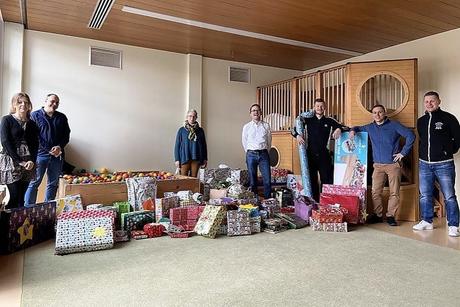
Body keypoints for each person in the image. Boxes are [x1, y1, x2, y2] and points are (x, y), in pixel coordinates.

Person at [349, 104, 415, 226]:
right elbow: (357, 128)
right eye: (374, 112)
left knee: (394, 192)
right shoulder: (370, 127)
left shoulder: (394, 125)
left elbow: (411, 135)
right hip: (378, 166)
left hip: (393, 165)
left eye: (380, 112)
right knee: (375, 192)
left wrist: (403, 153)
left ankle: (390, 216)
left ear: (384, 113)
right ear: (372, 114)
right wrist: (352, 131)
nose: (377, 115)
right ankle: (378, 215)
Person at [413, 91, 460, 237]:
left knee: (449, 196)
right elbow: (421, 140)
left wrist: (447, 151)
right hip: (424, 164)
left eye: (432, 101)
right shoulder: (421, 121)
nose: (429, 104)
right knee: (425, 195)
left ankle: (453, 225)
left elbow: (458, 139)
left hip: (444, 164)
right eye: (426, 101)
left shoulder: (449, 118)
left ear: (439, 101)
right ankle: (427, 221)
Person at [291, 98, 348, 201]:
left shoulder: (329, 121)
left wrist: (338, 129)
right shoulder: (307, 120)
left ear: (325, 108)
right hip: (310, 155)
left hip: (324, 156)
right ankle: (315, 203)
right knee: (312, 181)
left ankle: (326, 202)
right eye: (317, 106)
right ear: (314, 107)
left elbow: (343, 127)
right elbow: (293, 130)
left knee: (326, 180)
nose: (319, 108)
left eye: (321, 106)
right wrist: (298, 136)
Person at [24, 94, 71, 205]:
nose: (54, 104)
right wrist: (49, 149)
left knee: (53, 183)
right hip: (39, 155)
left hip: (57, 156)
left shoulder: (62, 117)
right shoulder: (34, 116)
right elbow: (32, 137)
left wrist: (59, 147)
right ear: (45, 101)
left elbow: (66, 135)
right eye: (52, 101)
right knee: (34, 182)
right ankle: (28, 209)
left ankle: (47, 209)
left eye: (57, 103)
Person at [0, 93, 39, 208]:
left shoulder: (32, 124)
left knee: (21, 198)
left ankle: (19, 225)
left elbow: (35, 145)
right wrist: (19, 161)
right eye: (20, 102)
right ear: (14, 104)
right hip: (11, 161)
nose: (23, 104)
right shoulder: (7, 120)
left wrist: (32, 160)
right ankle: (6, 224)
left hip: (28, 163)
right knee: (14, 196)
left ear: (29, 105)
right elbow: (5, 142)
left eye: (26, 102)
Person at [242, 103, 272, 199]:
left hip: (263, 154)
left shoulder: (266, 126)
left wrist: (264, 151)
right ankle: (255, 201)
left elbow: (269, 141)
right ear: (250, 114)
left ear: (261, 113)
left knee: (267, 180)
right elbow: (244, 141)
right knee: (253, 181)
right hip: (251, 154)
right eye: (253, 111)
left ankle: (268, 202)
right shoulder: (246, 127)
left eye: (257, 110)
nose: (255, 112)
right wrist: (249, 152)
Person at [174, 109, 207, 177]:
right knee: (183, 178)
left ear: (196, 117)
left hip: (197, 158)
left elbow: (204, 145)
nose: (192, 118)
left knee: (193, 179)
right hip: (184, 157)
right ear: (187, 117)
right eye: (190, 116)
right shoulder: (181, 130)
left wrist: (205, 158)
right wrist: (177, 159)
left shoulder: (200, 130)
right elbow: (177, 145)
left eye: (194, 116)